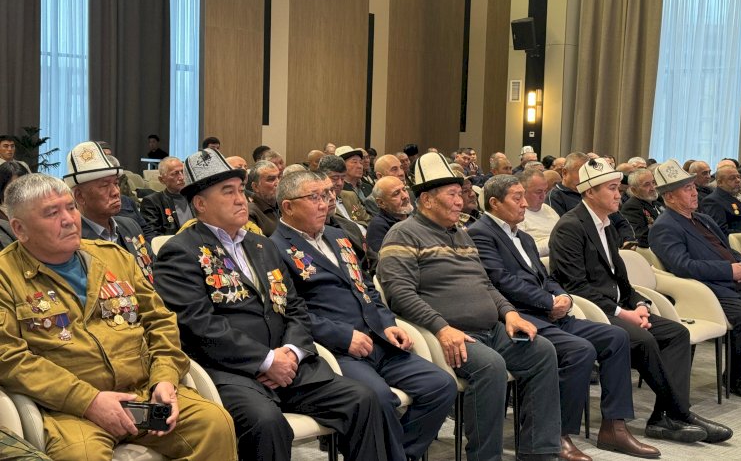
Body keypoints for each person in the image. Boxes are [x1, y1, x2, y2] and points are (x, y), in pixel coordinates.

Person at [152, 149, 388, 461]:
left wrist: (291, 352)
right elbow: (199, 325)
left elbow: (295, 307)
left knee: (363, 399)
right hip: (232, 370)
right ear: (200, 204)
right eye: (228, 192)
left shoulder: (261, 244)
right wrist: (265, 360)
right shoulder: (180, 252)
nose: (241, 200)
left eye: (240, 190)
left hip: (291, 365)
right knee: (266, 423)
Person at [0, 173, 237, 460]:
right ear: (19, 228)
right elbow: (9, 358)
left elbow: (160, 322)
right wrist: (89, 401)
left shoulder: (114, 257)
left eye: (71, 207)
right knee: (82, 457)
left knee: (215, 424)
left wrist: (164, 379)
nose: (69, 220)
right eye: (52, 213)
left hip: (143, 393)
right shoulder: (5, 276)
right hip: (71, 409)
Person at [378, 152, 562, 461]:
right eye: (452, 194)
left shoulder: (462, 234)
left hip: (491, 329)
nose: (460, 201)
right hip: (447, 334)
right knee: (491, 367)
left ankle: (539, 453)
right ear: (426, 200)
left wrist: (510, 313)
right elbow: (400, 294)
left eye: (460, 193)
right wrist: (442, 328)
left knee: (543, 352)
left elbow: (486, 284)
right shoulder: (403, 234)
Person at [468, 174, 659, 461]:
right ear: (494, 203)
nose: (525, 204)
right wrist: (548, 301)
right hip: (519, 316)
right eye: (517, 198)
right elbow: (500, 281)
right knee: (579, 350)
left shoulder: (523, 237)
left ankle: (614, 427)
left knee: (616, 336)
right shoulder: (480, 233)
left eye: (524, 197)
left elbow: (546, 277)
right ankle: (558, 434)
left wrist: (562, 296)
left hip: (549, 312)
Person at [271, 170, 455, 461]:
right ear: (288, 207)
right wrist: (343, 337)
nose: (325, 203)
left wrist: (388, 323)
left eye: (326, 196)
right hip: (336, 350)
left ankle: (397, 454)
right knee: (378, 399)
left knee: (441, 386)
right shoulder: (274, 248)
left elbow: (366, 286)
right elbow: (288, 312)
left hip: (378, 339)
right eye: (314, 197)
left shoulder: (337, 235)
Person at [549, 158, 732, 444]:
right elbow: (575, 287)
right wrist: (623, 313)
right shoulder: (570, 227)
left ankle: (663, 416)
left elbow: (621, 280)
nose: (618, 194)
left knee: (676, 333)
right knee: (643, 340)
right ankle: (681, 413)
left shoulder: (607, 225)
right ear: (590, 192)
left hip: (618, 307)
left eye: (618, 188)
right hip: (593, 312)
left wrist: (640, 304)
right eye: (611, 189)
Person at [649, 159, 741, 397]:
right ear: (670, 197)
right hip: (707, 290)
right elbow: (684, 266)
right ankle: (738, 379)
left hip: (732, 280)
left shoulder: (702, 218)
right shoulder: (665, 227)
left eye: (693, 187)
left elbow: (726, 248)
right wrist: (730, 271)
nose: (695, 193)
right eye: (687, 189)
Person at [66, 142, 155, 283]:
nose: (116, 192)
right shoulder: (72, 239)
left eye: (116, 183)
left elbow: (154, 272)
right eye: (104, 185)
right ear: (80, 196)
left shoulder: (129, 226)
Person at [546, 152, 636, 247]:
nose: (587, 176)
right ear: (564, 173)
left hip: (613, 245)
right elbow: (564, 232)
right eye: (581, 172)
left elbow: (620, 221)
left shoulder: (597, 193)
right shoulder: (555, 197)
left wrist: (628, 240)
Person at [140, 157, 194, 237]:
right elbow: (154, 236)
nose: (182, 177)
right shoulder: (152, 202)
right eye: (175, 173)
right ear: (162, 180)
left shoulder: (196, 197)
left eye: (183, 172)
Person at [517, 169, 559, 257]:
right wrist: (555, 241)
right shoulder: (517, 214)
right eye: (538, 192)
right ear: (523, 192)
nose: (543, 196)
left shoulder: (549, 210)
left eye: (545, 191)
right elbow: (525, 250)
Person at [367, 176, 413, 255]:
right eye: (396, 193)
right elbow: (387, 259)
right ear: (381, 203)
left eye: (404, 190)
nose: (405, 196)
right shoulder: (378, 226)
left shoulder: (415, 216)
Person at [319, 155, 371, 225]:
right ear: (321, 177)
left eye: (343, 178)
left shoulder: (351, 196)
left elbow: (368, 220)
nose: (340, 183)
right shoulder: (320, 202)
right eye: (335, 178)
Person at [700, 165, 741, 235]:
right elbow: (721, 231)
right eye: (732, 178)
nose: (738, 180)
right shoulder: (712, 201)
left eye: (738, 177)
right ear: (720, 182)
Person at [620, 169, 664, 248]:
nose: (653, 188)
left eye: (653, 182)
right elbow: (640, 237)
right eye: (647, 185)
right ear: (634, 190)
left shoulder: (657, 202)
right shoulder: (632, 207)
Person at [246, 160, 281, 236]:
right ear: (256, 187)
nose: (278, 182)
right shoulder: (250, 213)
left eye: (279, 177)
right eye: (271, 179)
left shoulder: (284, 205)